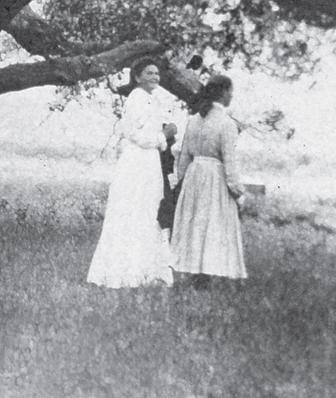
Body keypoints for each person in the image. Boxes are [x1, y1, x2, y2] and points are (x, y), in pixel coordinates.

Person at [87, 58, 177, 288]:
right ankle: (125, 273)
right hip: (137, 161)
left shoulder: (151, 100)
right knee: (134, 212)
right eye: (149, 73)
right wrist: (164, 135)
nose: (155, 77)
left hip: (149, 162)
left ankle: (146, 272)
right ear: (137, 77)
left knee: (148, 211)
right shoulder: (136, 99)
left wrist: (163, 138)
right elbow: (140, 137)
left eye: (157, 73)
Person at [170, 75, 247, 289]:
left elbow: (184, 156)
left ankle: (198, 274)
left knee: (197, 224)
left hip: (194, 176)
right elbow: (230, 162)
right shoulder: (226, 123)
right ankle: (208, 273)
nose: (232, 95)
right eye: (230, 91)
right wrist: (238, 191)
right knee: (213, 223)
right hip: (215, 177)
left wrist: (182, 182)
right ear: (223, 93)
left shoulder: (194, 120)